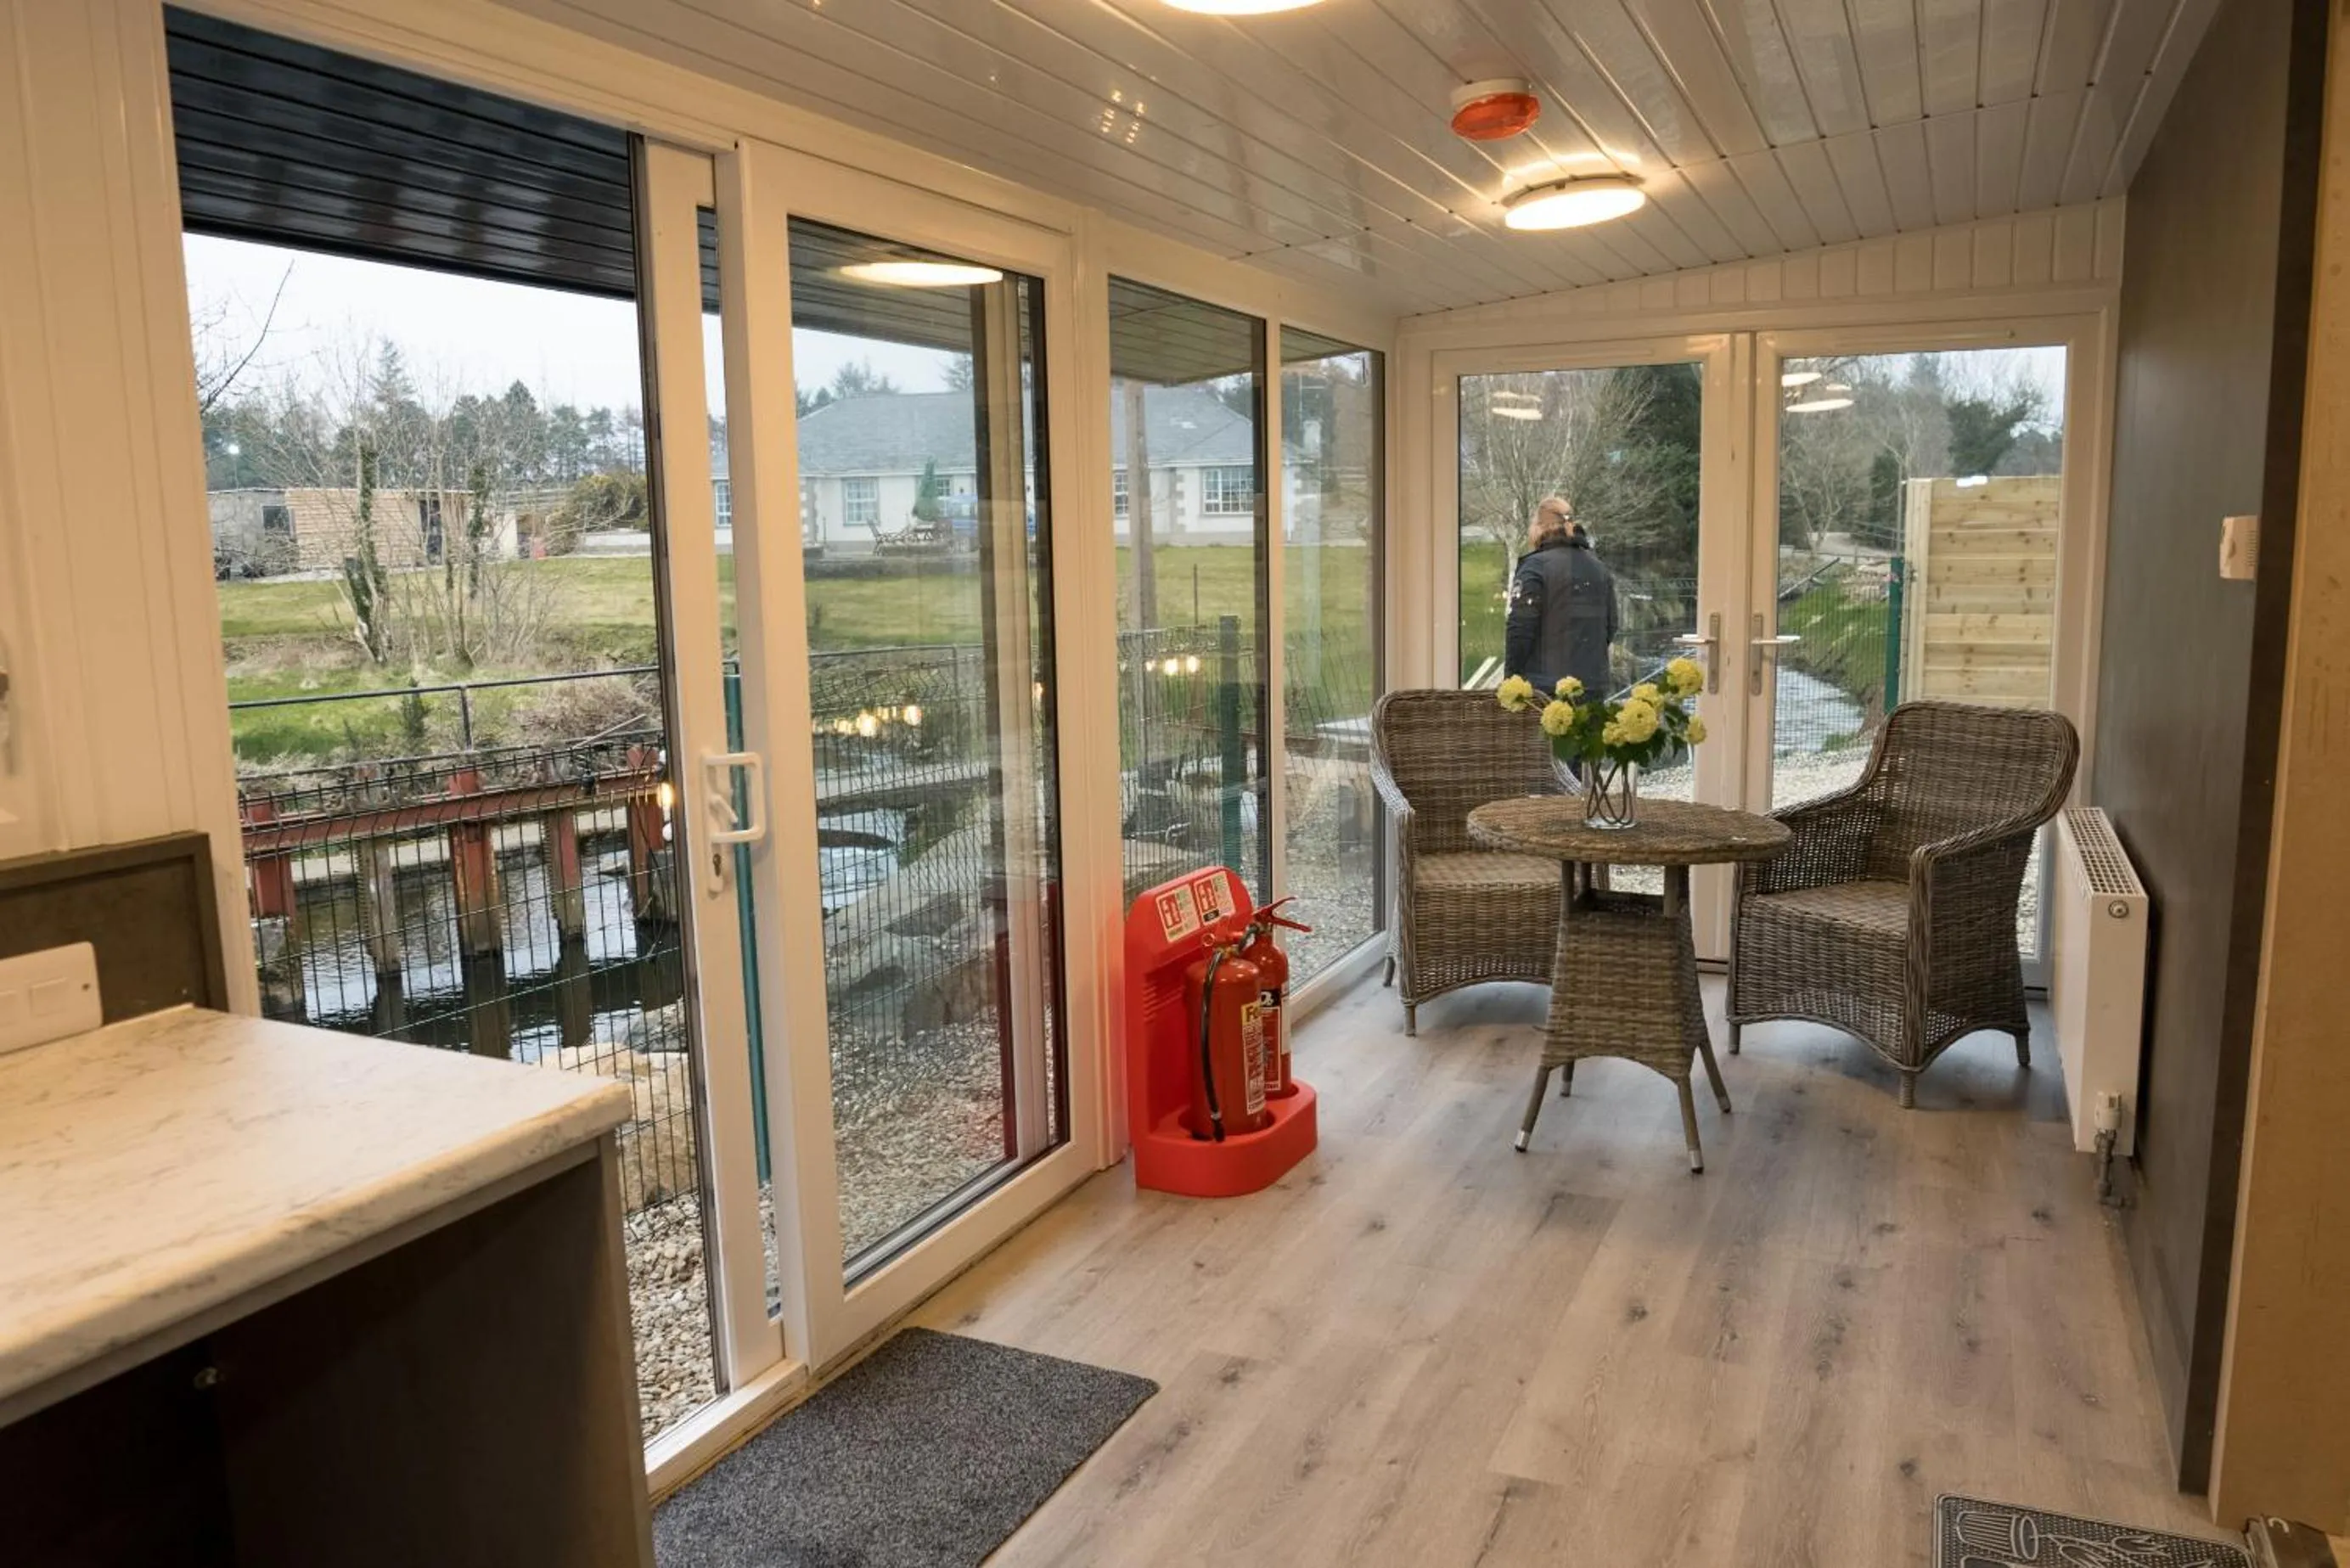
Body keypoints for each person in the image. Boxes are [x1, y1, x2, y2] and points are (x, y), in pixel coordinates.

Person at [1504, 496, 1617, 700]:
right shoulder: (1599, 568)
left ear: (1538, 526)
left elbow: (1520, 630)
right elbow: (1611, 626)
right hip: (1592, 687)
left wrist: (1510, 680)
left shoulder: (1535, 568)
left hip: (1545, 692)